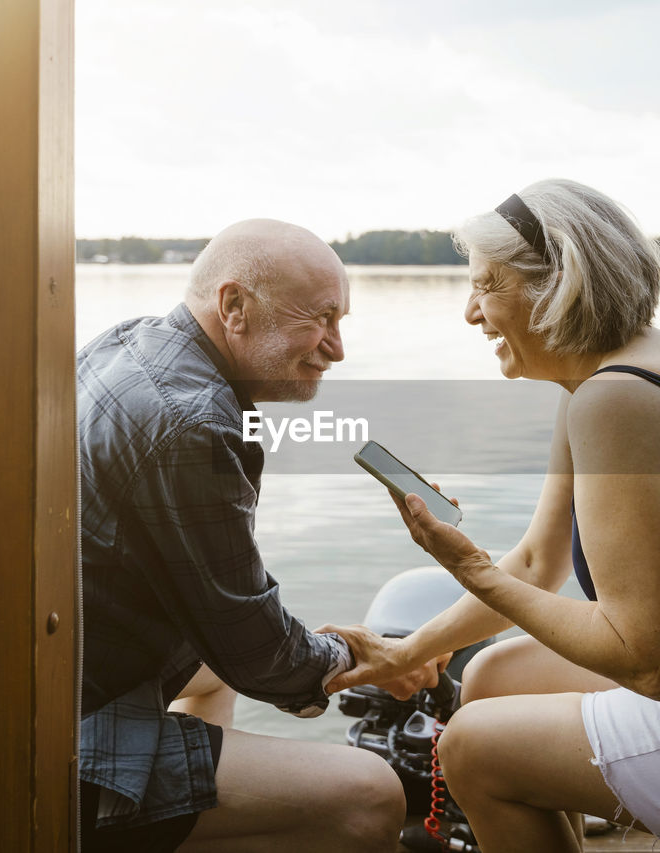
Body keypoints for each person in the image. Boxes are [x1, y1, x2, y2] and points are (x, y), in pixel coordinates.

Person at [325, 180, 660, 851]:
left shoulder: (617, 403)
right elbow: (537, 564)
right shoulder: (629, 374)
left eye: (486, 284)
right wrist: (409, 649)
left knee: (473, 749)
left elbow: (651, 664)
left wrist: (474, 572)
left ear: (558, 286)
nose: (470, 312)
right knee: (490, 675)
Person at [76, 219, 415, 852]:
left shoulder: (129, 342)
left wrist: (337, 653)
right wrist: (355, 657)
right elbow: (259, 652)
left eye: (340, 321)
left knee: (216, 672)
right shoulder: (191, 423)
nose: (336, 347)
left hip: (60, 665)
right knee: (370, 794)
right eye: (318, 319)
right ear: (234, 306)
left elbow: (235, 631)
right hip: (69, 732)